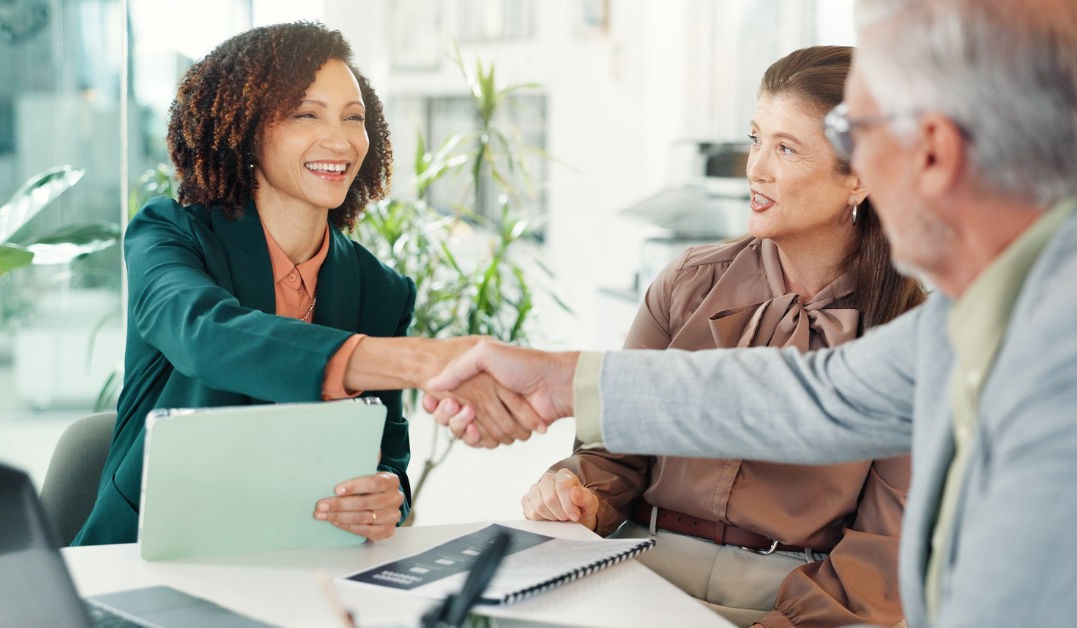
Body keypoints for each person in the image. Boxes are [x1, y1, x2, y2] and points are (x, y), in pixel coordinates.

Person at [425, 0, 1077, 626]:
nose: (755, 168)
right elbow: (808, 400)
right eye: (756, 139)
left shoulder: (1038, 337)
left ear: (930, 150)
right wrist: (560, 382)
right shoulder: (962, 324)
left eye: (860, 133)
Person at [72, 21, 540, 547]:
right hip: (140, 557)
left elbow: (387, 454)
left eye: (353, 118)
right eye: (306, 114)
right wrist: (426, 359)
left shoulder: (378, 289)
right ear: (248, 129)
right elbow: (204, 334)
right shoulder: (172, 235)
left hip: (297, 561)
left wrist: (388, 494)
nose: (339, 139)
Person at [520, 46, 922, 628]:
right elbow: (612, 454)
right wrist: (577, 491)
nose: (754, 168)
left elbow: (882, 552)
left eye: (785, 148)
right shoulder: (686, 282)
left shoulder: (909, 334)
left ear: (859, 177)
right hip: (638, 571)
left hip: (794, 600)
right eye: (755, 138)